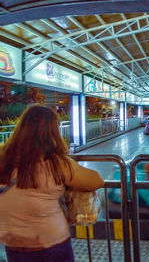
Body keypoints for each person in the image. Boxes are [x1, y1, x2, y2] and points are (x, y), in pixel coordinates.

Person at [0, 105, 104, 262]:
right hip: (51, 245)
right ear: (52, 132)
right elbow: (97, 180)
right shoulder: (57, 164)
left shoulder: (3, 159)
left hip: (13, 245)